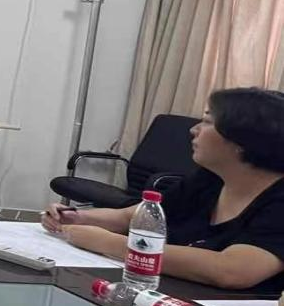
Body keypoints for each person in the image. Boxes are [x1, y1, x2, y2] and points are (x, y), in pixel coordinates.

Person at [42, 88, 284, 292]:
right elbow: (133, 217)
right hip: (168, 294)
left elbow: (233, 270)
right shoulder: (210, 179)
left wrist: (110, 243)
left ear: (242, 141)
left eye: (207, 122)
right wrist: (79, 217)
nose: (194, 129)